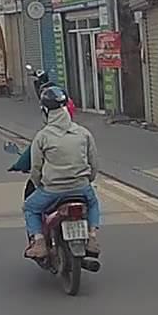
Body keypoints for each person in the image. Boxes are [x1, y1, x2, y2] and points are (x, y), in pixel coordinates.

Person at [23, 85, 101, 258]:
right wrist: (87, 180)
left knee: (29, 207)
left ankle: (39, 242)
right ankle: (92, 236)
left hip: (53, 191)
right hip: (81, 188)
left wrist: (39, 184)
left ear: (45, 111)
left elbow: (36, 168)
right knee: (93, 203)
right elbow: (94, 163)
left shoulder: (42, 137)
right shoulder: (83, 133)